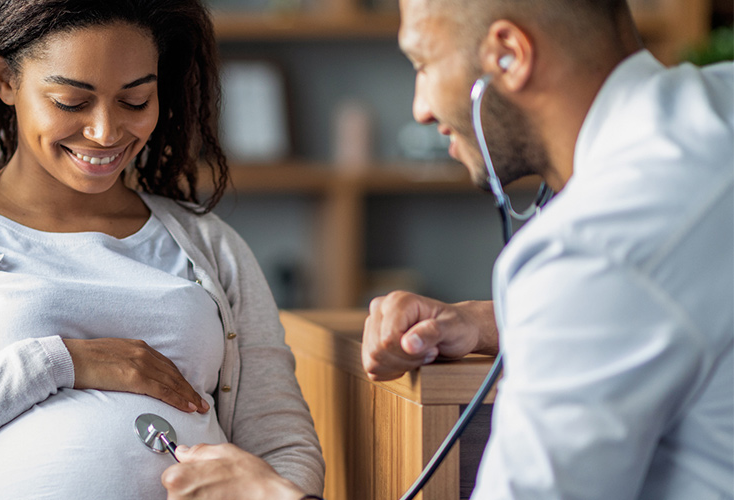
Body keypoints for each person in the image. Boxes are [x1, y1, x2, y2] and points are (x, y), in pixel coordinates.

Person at [161, 0, 733, 498]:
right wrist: (490, 323)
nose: (420, 108)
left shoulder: (593, 252)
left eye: (423, 64)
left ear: (508, 54)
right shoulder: (718, 104)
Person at [0, 1, 325, 499]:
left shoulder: (211, 246)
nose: (105, 131)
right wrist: (60, 363)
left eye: (135, 100)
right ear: (6, 79)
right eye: (72, 102)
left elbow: (282, 446)